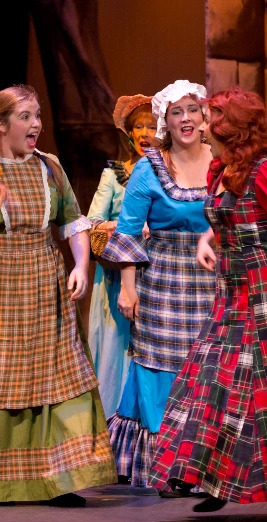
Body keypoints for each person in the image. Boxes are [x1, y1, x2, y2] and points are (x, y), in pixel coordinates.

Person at [149, 86, 267, 522]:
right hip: (233, 291)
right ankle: (212, 476)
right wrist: (209, 239)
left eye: (208, 116)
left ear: (229, 127)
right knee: (214, 380)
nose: (200, 124)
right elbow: (227, 217)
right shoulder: (223, 169)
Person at [0, 85, 117, 506]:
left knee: (55, 377)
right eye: (25, 117)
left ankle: (57, 480)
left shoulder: (49, 166)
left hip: (44, 285)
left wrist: (80, 266)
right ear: (0, 125)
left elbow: (73, 223)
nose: (36, 124)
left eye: (37, 116)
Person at [100, 80, 216, 491]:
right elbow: (129, 231)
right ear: (165, 121)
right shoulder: (150, 167)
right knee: (160, 364)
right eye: (176, 112)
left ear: (204, 116)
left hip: (213, 278)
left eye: (192, 110)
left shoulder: (221, 163)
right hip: (163, 278)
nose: (186, 119)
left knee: (210, 366)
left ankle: (206, 461)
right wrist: (128, 287)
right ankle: (168, 462)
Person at [86, 94, 156, 422]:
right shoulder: (114, 174)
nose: (145, 133)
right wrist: (123, 226)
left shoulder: (169, 173)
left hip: (156, 272)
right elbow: (92, 221)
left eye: (152, 126)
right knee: (117, 345)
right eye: (138, 127)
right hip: (117, 274)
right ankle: (114, 425)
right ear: (128, 134)